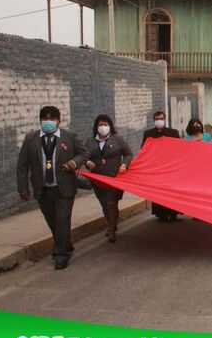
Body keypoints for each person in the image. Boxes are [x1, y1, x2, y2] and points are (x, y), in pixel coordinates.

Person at [17, 106, 89, 270]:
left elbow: (84, 153)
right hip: (43, 189)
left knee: (62, 221)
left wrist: (74, 163)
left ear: (58, 120)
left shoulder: (69, 137)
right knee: (53, 222)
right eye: (45, 119)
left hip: (64, 188)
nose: (48, 122)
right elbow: (22, 165)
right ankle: (66, 244)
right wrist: (23, 188)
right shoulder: (31, 139)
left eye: (52, 119)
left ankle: (60, 255)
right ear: (40, 120)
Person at [85, 115, 133, 243]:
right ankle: (112, 223)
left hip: (114, 177)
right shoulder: (90, 141)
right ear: (96, 127)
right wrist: (88, 163)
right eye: (100, 125)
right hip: (98, 178)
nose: (103, 127)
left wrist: (124, 165)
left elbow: (128, 154)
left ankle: (111, 230)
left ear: (110, 126)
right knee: (104, 204)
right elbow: (84, 156)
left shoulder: (117, 139)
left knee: (112, 203)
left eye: (106, 124)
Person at [142, 111, 180, 221]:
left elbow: (178, 149)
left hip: (170, 167)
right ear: (154, 120)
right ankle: (161, 214)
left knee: (171, 191)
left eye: (161, 118)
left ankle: (172, 213)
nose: (159, 120)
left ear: (165, 119)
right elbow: (144, 149)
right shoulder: (148, 134)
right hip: (156, 168)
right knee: (158, 191)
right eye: (157, 118)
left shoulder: (173, 132)